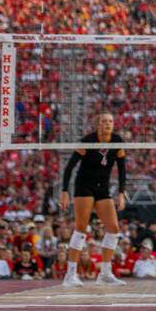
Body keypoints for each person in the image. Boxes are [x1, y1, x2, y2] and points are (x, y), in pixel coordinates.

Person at [59, 112, 128, 287]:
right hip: (84, 185)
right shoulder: (88, 140)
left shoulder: (117, 141)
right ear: (98, 124)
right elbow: (70, 166)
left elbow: (122, 169)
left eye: (110, 121)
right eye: (104, 121)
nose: (107, 124)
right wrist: (65, 191)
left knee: (113, 228)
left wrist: (121, 193)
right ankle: (70, 274)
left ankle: (105, 273)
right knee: (81, 227)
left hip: (102, 187)